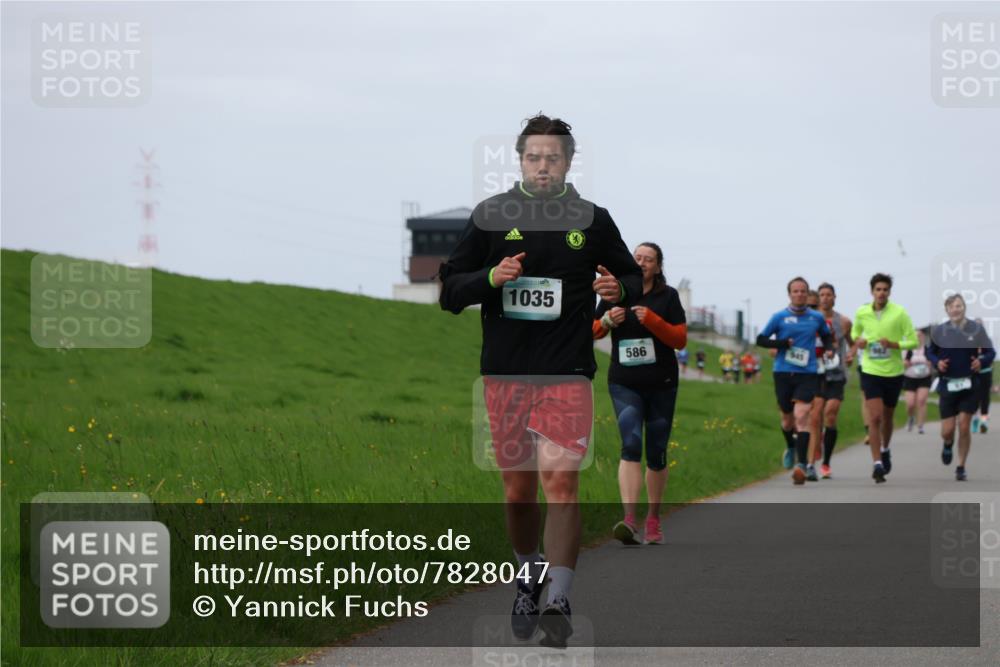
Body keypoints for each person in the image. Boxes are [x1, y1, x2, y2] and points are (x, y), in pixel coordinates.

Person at [438, 114, 642, 647]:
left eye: (553, 157)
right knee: (518, 491)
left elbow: (631, 276)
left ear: (569, 162)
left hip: (566, 372)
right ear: (521, 161)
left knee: (562, 482)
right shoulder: (491, 216)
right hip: (505, 373)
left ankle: (559, 598)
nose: (543, 165)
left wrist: (618, 289)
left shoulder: (592, 220)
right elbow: (450, 290)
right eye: (534, 157)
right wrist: (490, 277)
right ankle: (529, 577)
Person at [593, 242, 686, 546]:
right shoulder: (615, 293)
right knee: (631, 444)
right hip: (625, 382)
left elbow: (680, 339)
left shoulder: (668, 296)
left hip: (662, 382)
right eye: (638, 258)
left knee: (656, 452)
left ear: (658, 267)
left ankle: (653, 519)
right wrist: (607, 321)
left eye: (649, 259)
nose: (642, 263)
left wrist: (654, 321)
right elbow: (591, 330)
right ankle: (630, 520)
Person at [756, 277, 833, 484]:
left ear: (807, 294)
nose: (799, 294)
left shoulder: (816, 317)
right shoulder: (779, 317)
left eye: (803, 291)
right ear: (789, 294)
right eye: (795, 291)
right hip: (782, 372)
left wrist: (830, 349)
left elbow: (827, 336)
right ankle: (791, 446)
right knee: (787, 420)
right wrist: (782, 343)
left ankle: (801, 465)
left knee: (802, 416)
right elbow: (761, 339)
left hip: (807, 373)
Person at [849, 273, 918, 484]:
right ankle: (877, 463)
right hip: (870, 370)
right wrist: (858, 341)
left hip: (893, 372)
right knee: (875, 417)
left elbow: (913, 341)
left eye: (885, 290)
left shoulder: (899, 313)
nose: (881, 293)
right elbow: (855, 333)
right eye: (878, 289)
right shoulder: (862, 312)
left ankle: (885, 449)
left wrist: (894, 344)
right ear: (872, 291)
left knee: (888, 417)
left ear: (889, 292)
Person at [926, 295, 996, 481]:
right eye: (952, 306)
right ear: (947, 310)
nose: (955, 309)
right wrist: (937, 362)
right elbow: (930, 352)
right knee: (947, 431)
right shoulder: (939, 331)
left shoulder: (976, 329)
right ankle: (948, 444)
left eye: (959, 306)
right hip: (948, 384)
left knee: (964, 426)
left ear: (964, 308)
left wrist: (981, 361)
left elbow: (990, 352)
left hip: (969, 384)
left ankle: (961, 466)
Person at [814, 282, 853, 479]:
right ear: (818, 298)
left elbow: (852, 344)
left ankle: (826, 463)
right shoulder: (811, 319)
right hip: (816, 373)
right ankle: (816, 444)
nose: (825, 298)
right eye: (822, 294)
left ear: (834, 298)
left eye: (829, 294)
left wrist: (851, 355)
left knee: (830, 414)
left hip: (837, 374)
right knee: (816, 415)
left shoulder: (844, 322)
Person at [902, 328, 933, 434]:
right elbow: (903, 362)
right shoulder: (908, 350)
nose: (918, 338)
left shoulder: (927, 350)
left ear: (923, 337)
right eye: (915, 336)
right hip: (910, 377)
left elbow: (932, 361)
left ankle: (921, 425)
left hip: (924, 378)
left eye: (919, 336)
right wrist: (906, 363)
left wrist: (929, 363)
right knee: (910, 403)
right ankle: (911, 418)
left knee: (921, 400)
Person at [973, 318, 993, 434]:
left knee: (985, 397)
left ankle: (984, 421)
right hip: (974, 374)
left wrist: (982, 360)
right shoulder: (969, 341)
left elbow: (991, 354)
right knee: (974, 397)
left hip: (985, 372)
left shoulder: (986, 341)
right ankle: (975, 418)